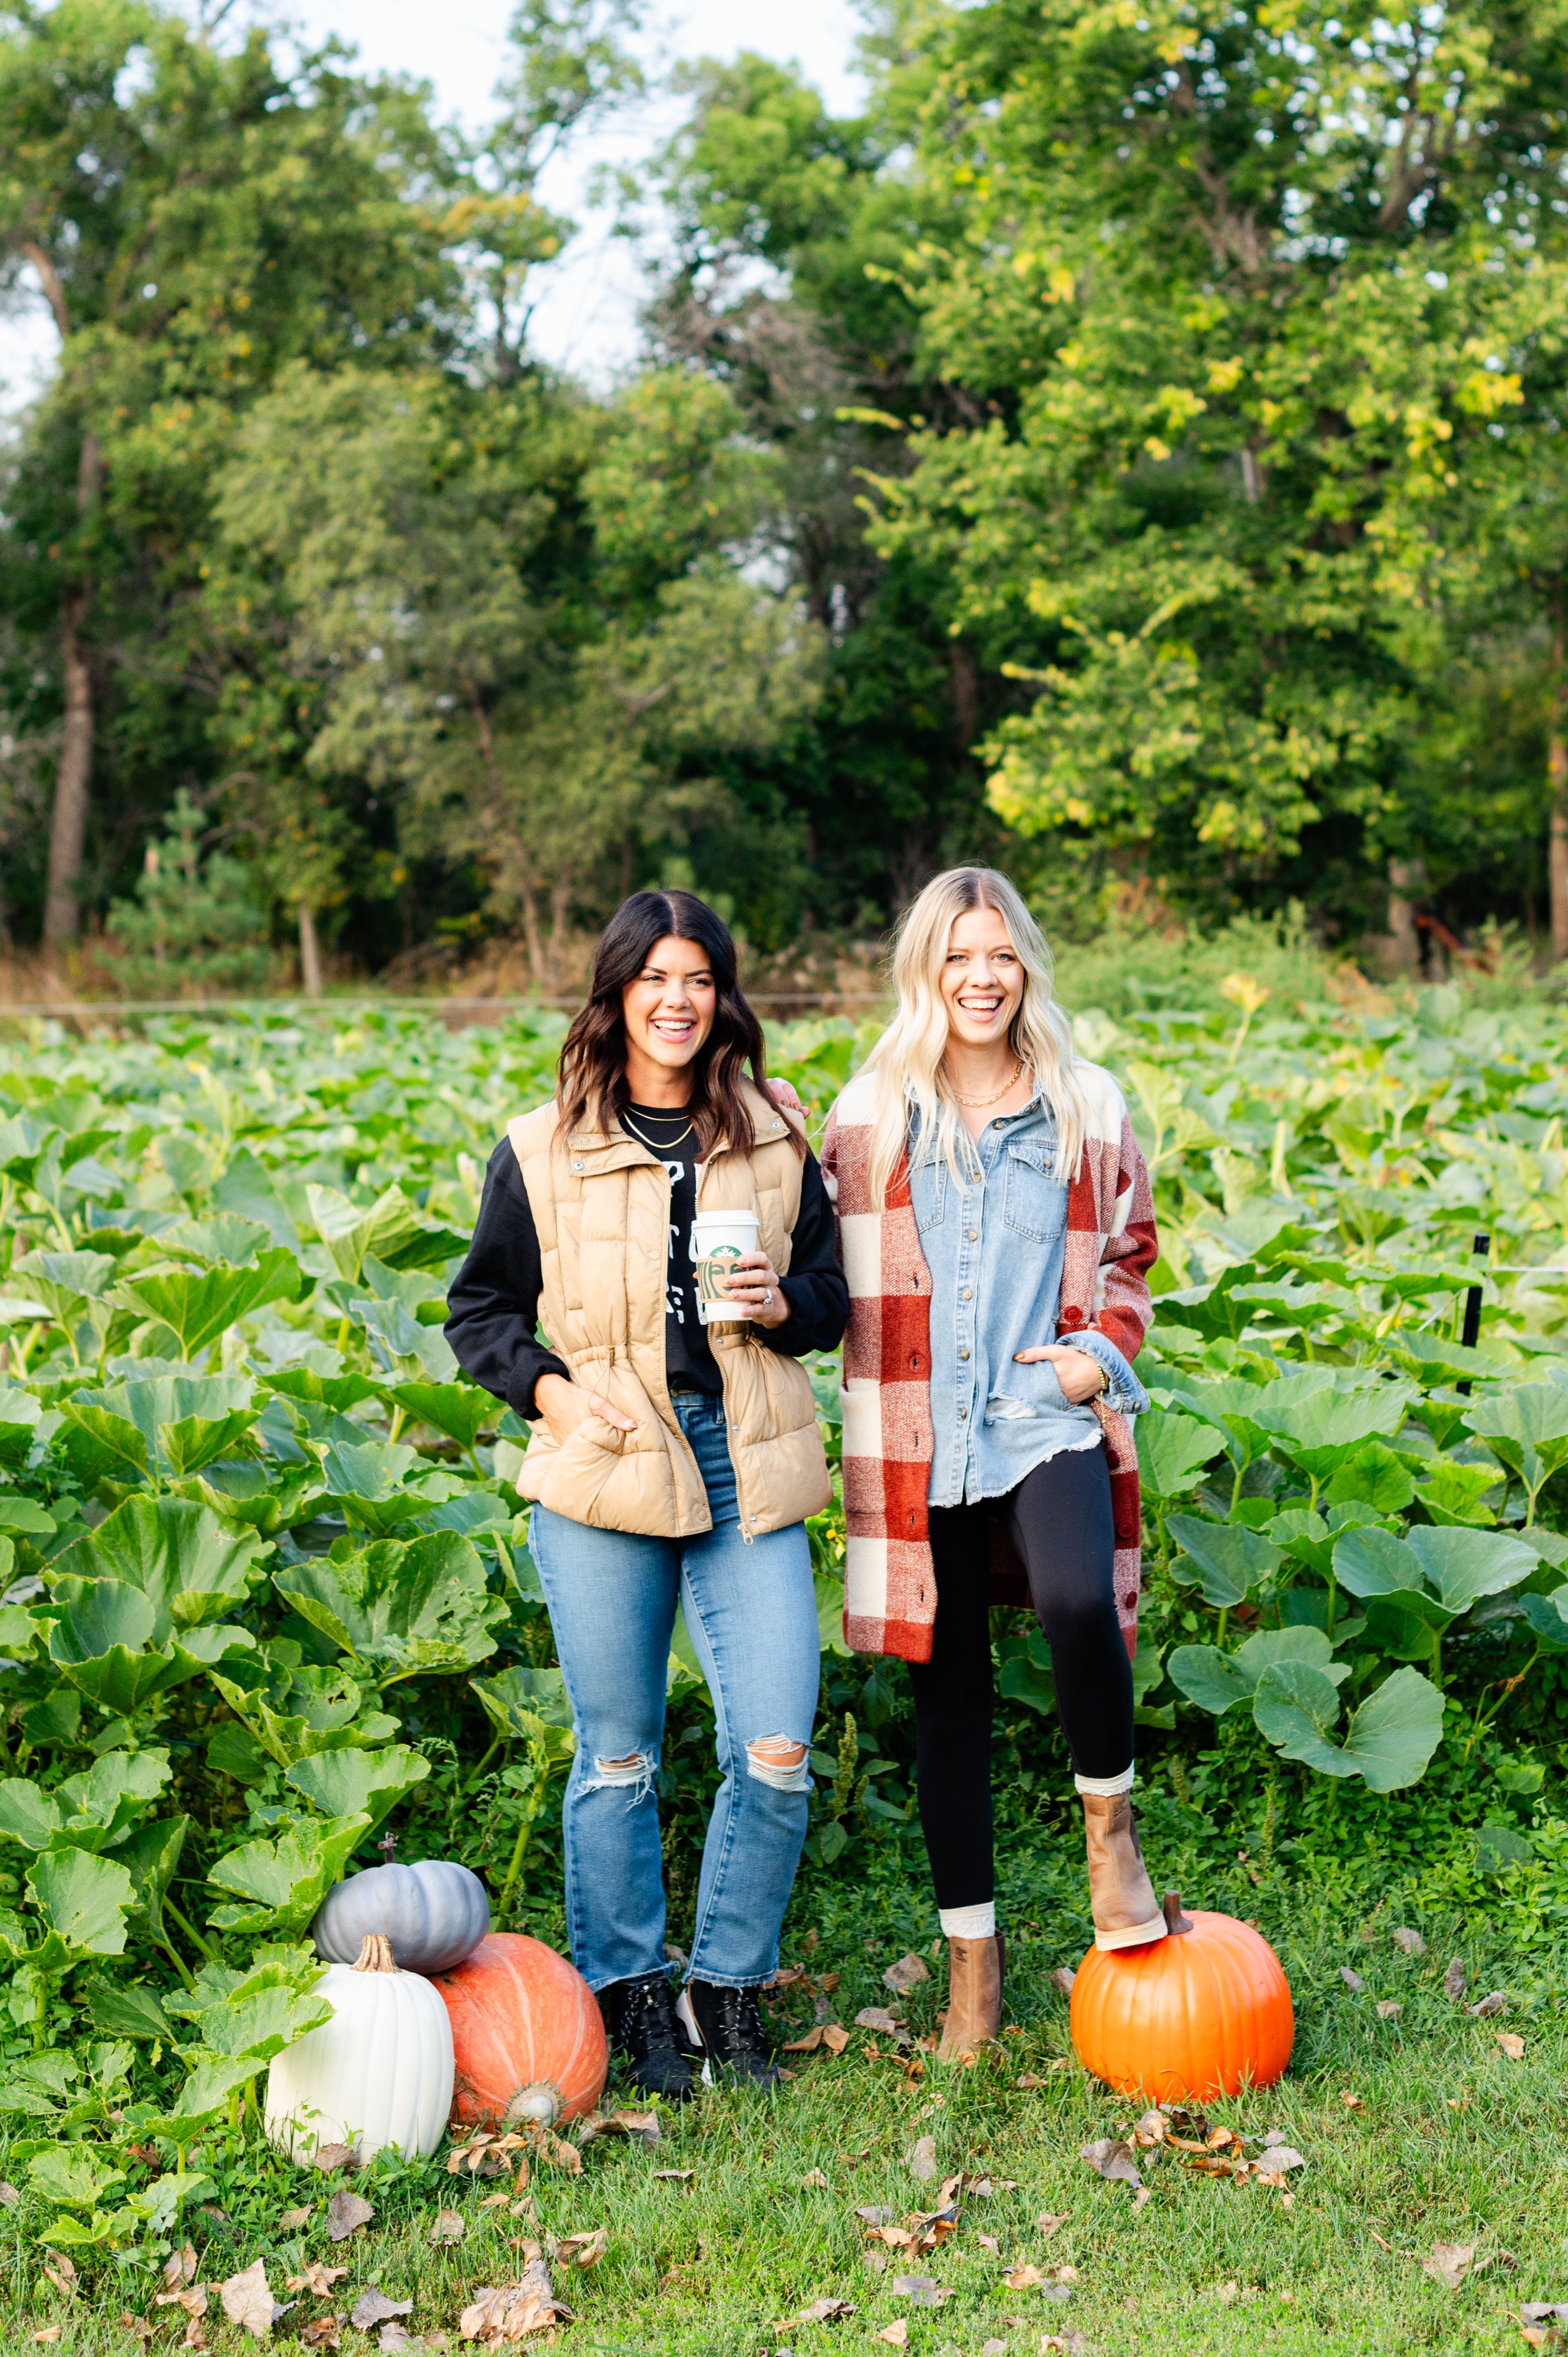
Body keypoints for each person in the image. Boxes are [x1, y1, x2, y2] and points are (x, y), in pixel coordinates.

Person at [446, 890, 847, 2098]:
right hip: (608, 1459)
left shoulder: (773, 1135)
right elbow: (480, 1312)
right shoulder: (539, 1148)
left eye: (699, 979)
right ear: (617, 992)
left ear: (723, 997)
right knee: (616, 1756)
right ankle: (626, 1992)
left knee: (775, 1746)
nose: (678, 1000)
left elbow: (830, 1300)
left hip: (744, 1455)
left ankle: (723, 1988)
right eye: (655, 978)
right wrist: (553, 1396)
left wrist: (784, 1303)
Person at [822, 866, 1161, 2059]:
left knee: (1077, 1599)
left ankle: (1110, 1835)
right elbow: (819, 1262)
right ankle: (973, 1964)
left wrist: (1093, 1357)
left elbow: (1130, 1254)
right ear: (925, 970)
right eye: (958, 956)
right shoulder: (868, 1115)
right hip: (915, 1435)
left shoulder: (1085, 1103)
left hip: (1039, 1417)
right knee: (949, 1693)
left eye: (1001, 954)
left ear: (1025, 967)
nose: (981, 976)